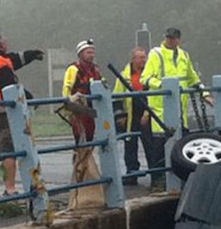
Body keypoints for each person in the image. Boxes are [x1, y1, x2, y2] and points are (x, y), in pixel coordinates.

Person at [0, 31, 43, 199]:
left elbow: (14, 59)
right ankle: (10, 188)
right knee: (9, 151)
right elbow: (10, 86)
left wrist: (30, 55)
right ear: (1, 45)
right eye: (6, 43)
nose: (8, 45)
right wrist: (29, 97)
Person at [140, 27, 207, 190]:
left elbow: (192, 77)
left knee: (180, 145)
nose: (171, 41)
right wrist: (164, 86)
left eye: (174, 38)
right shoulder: (156, 54)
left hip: (180, 109)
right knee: (159, 148)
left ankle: (180, 179)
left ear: (179, 40)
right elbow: (145, 78)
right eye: (169, 38)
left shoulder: (184, 55)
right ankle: (158, 181)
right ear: (165, 38)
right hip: (160, 110)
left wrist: (204, 93)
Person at [112, 46, 151, 186]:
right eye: (140, 57)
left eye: (144, 57)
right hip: (131, 114)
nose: (143, 60)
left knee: (151, 145)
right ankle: (132, 172)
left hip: (148, 114)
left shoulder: (150, 73)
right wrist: (120, 116)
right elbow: (116, 97)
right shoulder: (124, 76)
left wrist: (148, 113)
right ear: (133, 59)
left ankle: (155, 172)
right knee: (130, 145)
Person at [62, 39, 104, 143]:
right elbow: (67, 87)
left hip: (92, 108)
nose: (91, 55)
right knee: (80, 138)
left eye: (93, 52)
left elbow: (102, 85)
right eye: (88, 52)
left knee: (90, 137)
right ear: (80, 54)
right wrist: (68, 104)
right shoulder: (73, 69)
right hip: (79, 109)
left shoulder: (96, 69)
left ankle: (85, 158)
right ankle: (81, 158)